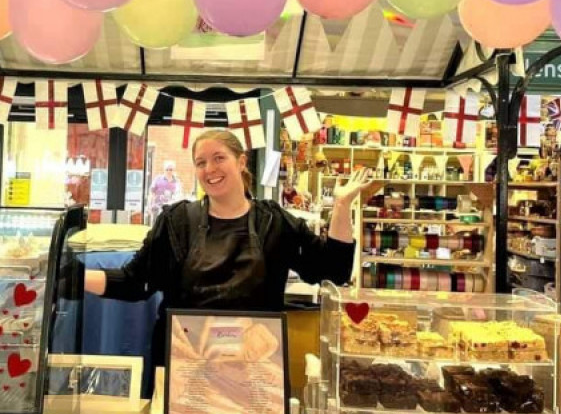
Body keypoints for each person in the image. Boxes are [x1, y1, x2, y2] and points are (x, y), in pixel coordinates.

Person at [85, 129, 381, 366]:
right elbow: (136, 282)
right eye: (201, 163)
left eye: (218, 158)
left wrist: (342, 205)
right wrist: (77, 277)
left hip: (255, 368)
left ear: (241, 162)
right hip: (185, 366)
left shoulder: (273, 222)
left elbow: (334, 270)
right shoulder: (177, 222)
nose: (209, 169)